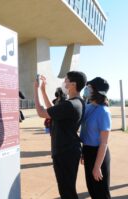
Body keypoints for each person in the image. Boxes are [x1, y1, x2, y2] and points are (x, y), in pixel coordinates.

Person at [34, 71, 86, 199]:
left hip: (64, 152)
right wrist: (43, 91)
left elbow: (41, 112)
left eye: (66, 80)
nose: (64, 82)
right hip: (69, 150)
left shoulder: (70, 104)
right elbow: (52, 111)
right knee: (67, 188)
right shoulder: (77, 102)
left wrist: (35, 90)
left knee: (66, 191)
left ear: (73, 84)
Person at [80, 77, 111, 199]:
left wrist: (97, 166)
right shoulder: (88, 107)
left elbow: (104, 143)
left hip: (99, 153)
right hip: (88, 151)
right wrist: (83, 152)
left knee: (101, 193)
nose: (86, 89)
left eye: (89, 87)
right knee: (92, 189)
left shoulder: (103, 112)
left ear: (97, 91)